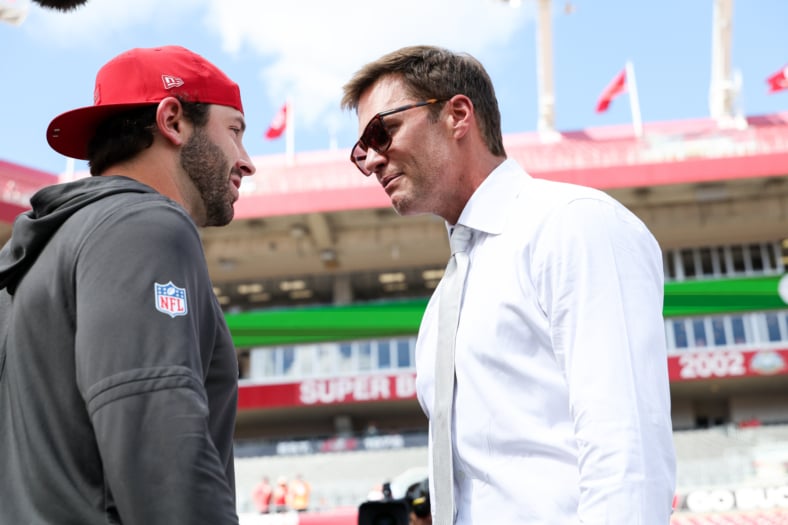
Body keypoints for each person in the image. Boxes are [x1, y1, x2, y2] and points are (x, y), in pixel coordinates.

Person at [341, 45, 676, 524]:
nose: (372, 159)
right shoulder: (443, 302)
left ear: (457, 115)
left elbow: (626, 446)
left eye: (382, 132)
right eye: (360, 150)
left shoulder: (572, 225)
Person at [0, 45, 255, 524]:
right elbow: (159, 440)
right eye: (235, 131)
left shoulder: (32, 259)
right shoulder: (144, 225)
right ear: (173, 120)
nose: (245, 160)